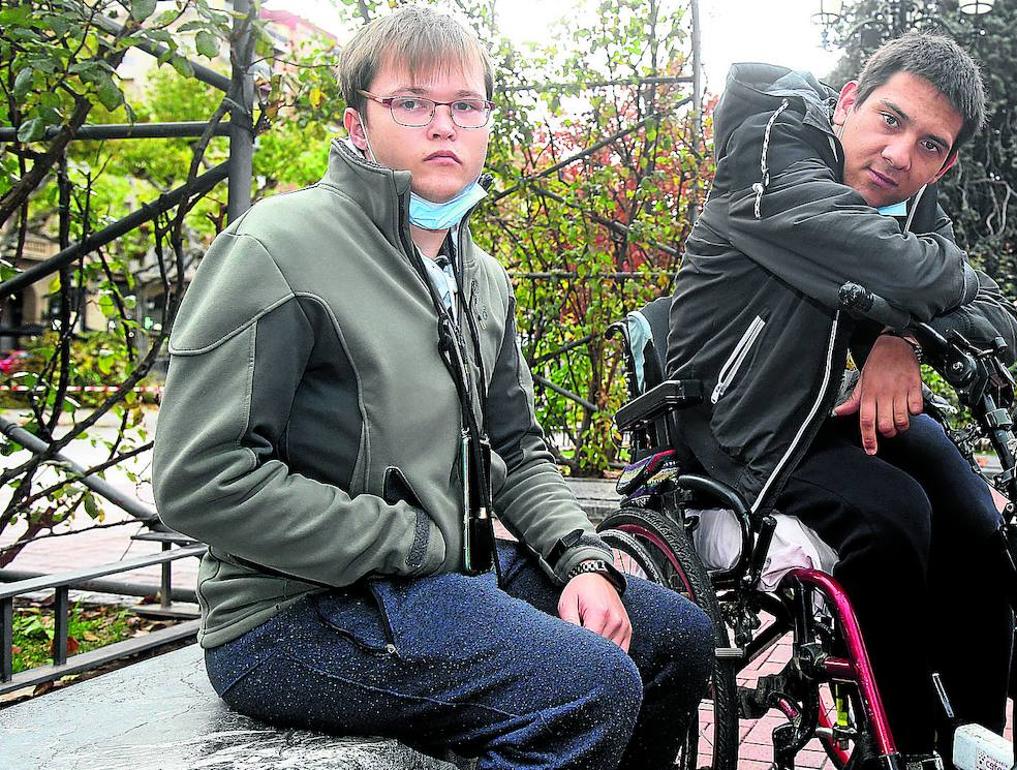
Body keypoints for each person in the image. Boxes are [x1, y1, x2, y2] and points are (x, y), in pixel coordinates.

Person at [153, 8, 713, 769]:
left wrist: (583, 561)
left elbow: (517, 447)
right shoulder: (277, 249)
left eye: (465, 105)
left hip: (442, 574)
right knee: (585, 686)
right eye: (412, 103)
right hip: (291, 612)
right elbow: (199, 478)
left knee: (676, 638)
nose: (443, 126)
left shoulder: (480, 278)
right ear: (358, 124)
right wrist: (415, 540)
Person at [665, 33, 1017, 762]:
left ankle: (976, 742)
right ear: (849, 101)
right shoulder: (770, 148)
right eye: (891, 120)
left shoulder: (907, 205)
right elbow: (913, 274)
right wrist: (927, 287)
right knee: (894, 516)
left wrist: (904, 340)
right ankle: (902, 750)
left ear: (945, 165)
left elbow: (1001, 320)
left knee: (976, 520)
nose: (899, 155)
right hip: (737, 420)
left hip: (828, 417)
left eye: (929, 146)